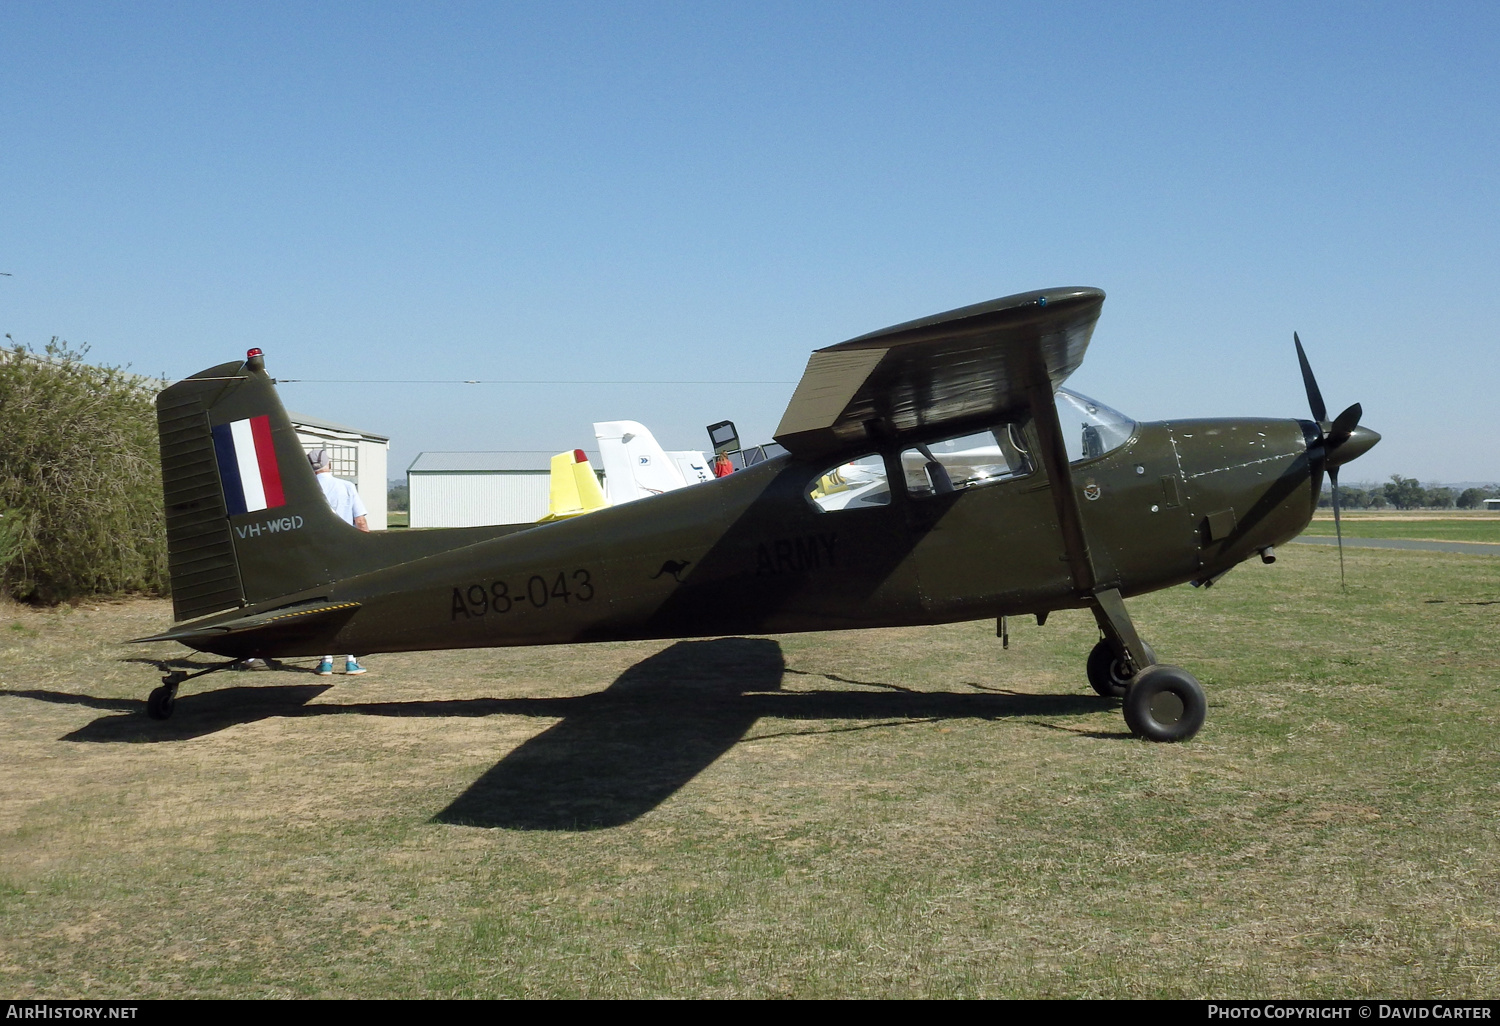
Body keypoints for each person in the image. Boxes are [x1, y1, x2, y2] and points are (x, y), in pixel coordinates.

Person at [308, 449, 370, 675]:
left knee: (323, 607)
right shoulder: (346, 487)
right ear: (329, 464)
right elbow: (360, 521)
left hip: (316, 554)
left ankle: (326, 659)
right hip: (344, 553)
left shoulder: (305, 490)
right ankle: (351, 659)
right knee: (349, 605)